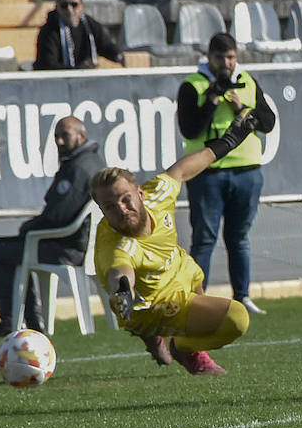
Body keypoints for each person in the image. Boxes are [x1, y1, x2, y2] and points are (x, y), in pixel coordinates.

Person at [93, 109, 260, 375]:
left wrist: (229, 141)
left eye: (126, 199)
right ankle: (180, 347)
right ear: (101, 210)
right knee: (237, 319)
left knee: (196, 279)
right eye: (110, 206)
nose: (122, 209)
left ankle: (182, 346)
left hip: (180, 268)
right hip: (153, 305)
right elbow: (119, 272)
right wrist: (123, 290)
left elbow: (181, 170)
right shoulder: (117, 246)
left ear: (140, 193)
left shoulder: (156, 195)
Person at [0, 116, 103, 338]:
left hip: (64, 247)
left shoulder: (79, 168)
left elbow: (58, 215)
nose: (60, 142)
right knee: (16, 251)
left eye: (65, 135)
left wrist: (29, 227)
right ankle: (29, 320)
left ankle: (14, 320)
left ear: (81, 136)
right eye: (56, 136)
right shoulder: (92, 162)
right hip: (78, 245)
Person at [176, 32, 276, 316]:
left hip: (246, 171)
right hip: (207, 172)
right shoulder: (193, 86)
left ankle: (242, 296)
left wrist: (242, 110)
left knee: (239, 238)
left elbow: (267, 122)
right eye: (220, 57)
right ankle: (196, 299)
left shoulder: (247, 81)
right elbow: (190, 129)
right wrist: (211, 99)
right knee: (204, 239)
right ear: (209, 57)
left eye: (231, 57)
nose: (227, 63)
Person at [32, 0, 122, 70]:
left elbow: (106, 46)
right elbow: (47, 65)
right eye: (64, 5)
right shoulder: (49, 30)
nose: (69, 9)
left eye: (74, 5)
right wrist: (77, 70)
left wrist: (120, 56)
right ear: (57, 8)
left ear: (81, 7)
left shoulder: (89, 25)